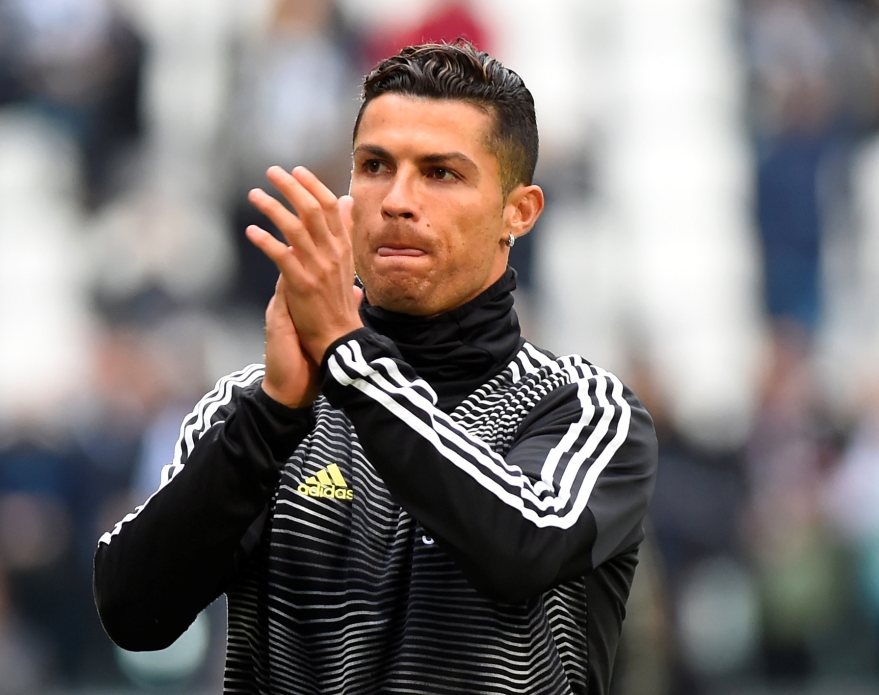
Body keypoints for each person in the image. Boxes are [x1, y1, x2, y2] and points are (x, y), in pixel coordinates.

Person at [94, 41, 658, 695]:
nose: (396, 199)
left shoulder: (585, 408)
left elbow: (522, 545)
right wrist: (274, 417)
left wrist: (347, 357)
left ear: (519, 211)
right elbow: (133, 613)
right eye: (374, 166)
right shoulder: (253, 406)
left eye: (441, 173)